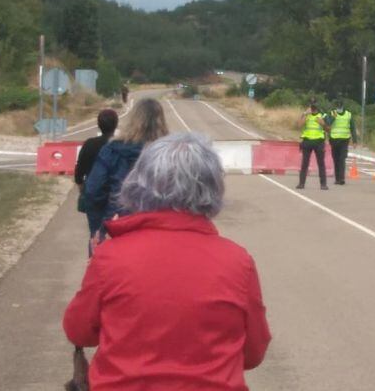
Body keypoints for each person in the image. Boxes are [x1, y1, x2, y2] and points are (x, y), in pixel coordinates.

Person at [64, 133, 271, 389]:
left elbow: (79, 331)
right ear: (213, 187)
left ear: (139, 183)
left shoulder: (111, 256)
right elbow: (253, 353)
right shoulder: (238, 261)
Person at [84, 98, 168, 243]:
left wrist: (100, 223)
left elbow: (93, 190)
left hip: (118, 222)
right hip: (160, 226)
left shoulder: (112, 150)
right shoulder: (171, 152)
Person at [73, 109, 119, 249]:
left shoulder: (90, 144)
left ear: (98, 124)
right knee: (118, 233)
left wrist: (82, 188)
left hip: (93, 193)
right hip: (115, 194)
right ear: (116, 124)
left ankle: (94, 262)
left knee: (95, 233)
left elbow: (79, 171)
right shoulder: (120, 145)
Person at [296, 98, 329, 190]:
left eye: (314, 104)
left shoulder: (323, 115)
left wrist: (323, 124)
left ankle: (323, 184)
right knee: (304, 164)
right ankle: (301, 183)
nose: (313, 106)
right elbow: (299, 125)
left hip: (319, 142)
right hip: (307, 141)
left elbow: (329, 130)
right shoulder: (307, 115)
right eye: (311, 104)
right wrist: (304, 114)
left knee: (321, 164)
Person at [326, 98, 357, 185]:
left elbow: (353, 128)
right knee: (336, 160)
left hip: (344, 140)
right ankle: (337, 179)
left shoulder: (348, 114)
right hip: (334, 140)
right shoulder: (332, 113)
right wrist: (333, 117)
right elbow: (328, 124)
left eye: (340, 106)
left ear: (343, 106)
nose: (339, 107)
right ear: (336, 106)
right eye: (338, 106)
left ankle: (342, 179)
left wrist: (355, 140)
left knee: (342, 159)